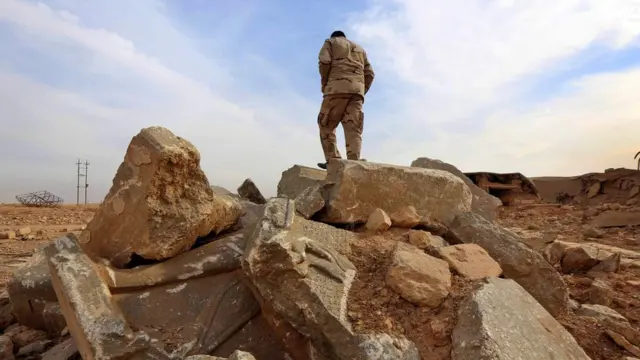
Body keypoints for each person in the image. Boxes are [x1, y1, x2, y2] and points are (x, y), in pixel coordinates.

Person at [316, 30, 375, 170]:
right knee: (353, 129)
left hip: (336, 89)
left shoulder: (330, 42)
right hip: (356, 93)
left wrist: (325, 83)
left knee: (326, 125)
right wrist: (361, 90)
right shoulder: (360, 49)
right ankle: (353, 162)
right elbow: (370, 74)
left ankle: (333, 161)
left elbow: (324, 61)